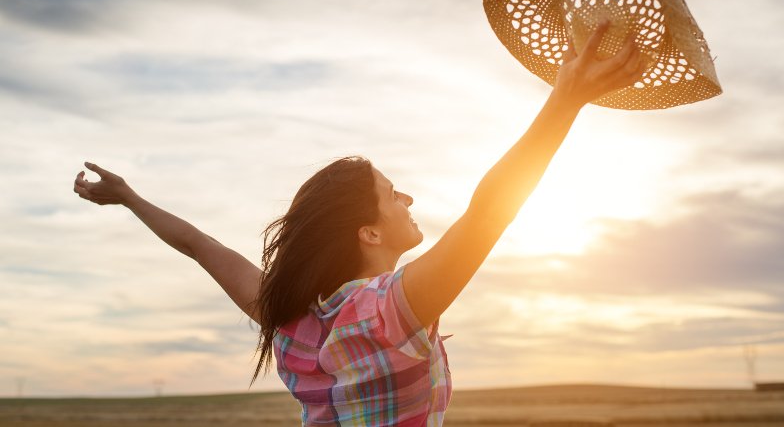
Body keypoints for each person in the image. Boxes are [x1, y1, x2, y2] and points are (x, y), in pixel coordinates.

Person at [73, 22, 645, 426]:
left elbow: (199, 245)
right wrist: (565, 99)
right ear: (368, 233)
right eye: (393, 196)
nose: (408, 197)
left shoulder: (290, 317)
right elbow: (490, 211)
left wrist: (129, 198)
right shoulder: (390, 313)